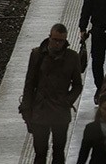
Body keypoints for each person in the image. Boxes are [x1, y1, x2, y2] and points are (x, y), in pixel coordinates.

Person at [20, 23, 83, 164]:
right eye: (55, 40)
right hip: (40, 110)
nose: (57, 44)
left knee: (59, 151)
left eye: (61, 41)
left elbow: (78, 85)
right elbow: (29, 83)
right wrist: (26, 108)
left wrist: (67, 101)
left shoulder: (72, 57)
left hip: (60, 111)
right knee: (40, 152)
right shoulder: (37, 55)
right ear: (49, 37)